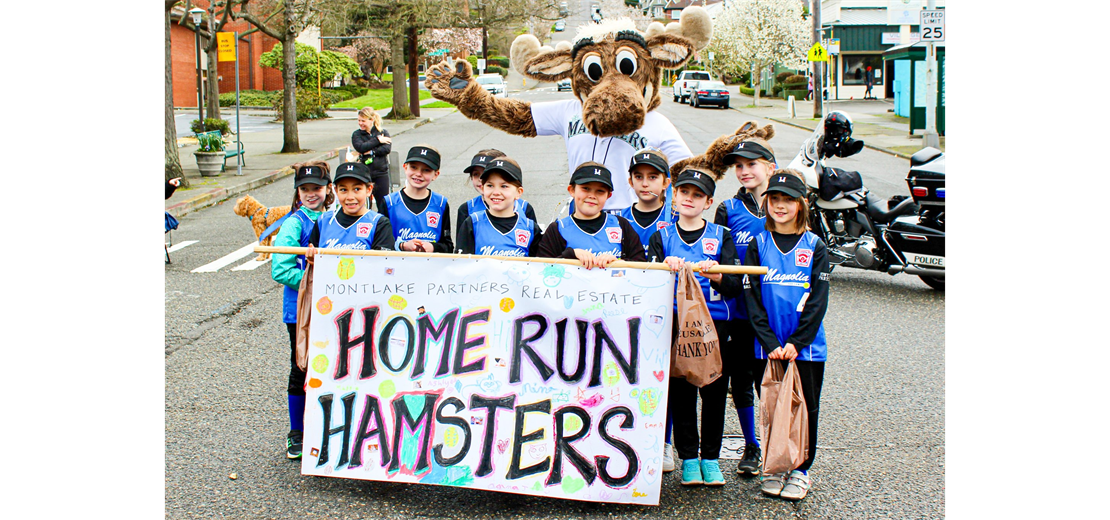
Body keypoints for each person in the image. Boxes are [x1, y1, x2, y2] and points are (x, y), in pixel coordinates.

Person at [647, 167, 742, 487]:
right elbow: (646, 283)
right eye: (684, 193)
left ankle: (711, 459)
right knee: (682, 391)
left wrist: (716, 274)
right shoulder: (662, 236)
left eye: (697, 195)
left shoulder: (721, 235)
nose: (689, 199)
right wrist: (663, 269)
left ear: (709, 201)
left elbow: (734, 286)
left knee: (714, 391)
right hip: (674, 323)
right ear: (674, 196)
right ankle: (689, 457)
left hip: (714, 324)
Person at [743, 170, 830, 502]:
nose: (780, 205)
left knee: (805, 408)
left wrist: (796, 343)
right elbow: (751, 299)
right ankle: (776, 465)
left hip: (805, 349)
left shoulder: (814, 246)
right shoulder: (758, 244)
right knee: (772, 406)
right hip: (766, 346)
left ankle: (801, 470)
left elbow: (818, 301)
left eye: (787, 200)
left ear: (801, 204)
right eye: (774, 199)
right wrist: (771, 343)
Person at [713, 136, 775, 477]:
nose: (744, 171)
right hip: (737, 309)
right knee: (741, 379)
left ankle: (775, 442)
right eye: (738, 166)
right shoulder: (729, 209)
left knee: (771, 380)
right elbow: (723, 257)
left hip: (772, 314)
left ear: (770, 167)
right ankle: (751, 445)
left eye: (751, 164)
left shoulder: (786, 205)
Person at [270, 161, 334, 460]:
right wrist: (313, 284)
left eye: (317, 188)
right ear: (298, 191)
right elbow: (280, 268)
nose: (311, 194)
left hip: (334, 307)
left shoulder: (333, 218)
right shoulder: (294, 223)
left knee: (333, 367)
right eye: (305, 189)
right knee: (302, 367)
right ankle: (296, 433)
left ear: (327, 189)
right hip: (301, 311)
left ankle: (326, 425)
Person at [537, 163, 646, 267]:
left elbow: (641, 265)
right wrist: (570, 254)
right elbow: (541, 269)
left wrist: (619, 263)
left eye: (600, 191)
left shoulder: (621, 225)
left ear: (608, 195)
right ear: (572, 190)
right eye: (586, 188)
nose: (592, 196)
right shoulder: (557, 229)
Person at [455, 157, 543, 257]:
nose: (496, 192)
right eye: (490, 185)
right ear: (483, 188)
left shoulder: (530, 228)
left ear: (518, 192)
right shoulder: (472, 223)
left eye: (504, 186)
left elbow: (538, 267)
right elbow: (461, 265)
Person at [308, 162, 394, 253]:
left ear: (368, 190)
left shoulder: (379, 223)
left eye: (357, 189)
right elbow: (313, 259)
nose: (350, 197)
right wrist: (312, 259)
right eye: (343, 190)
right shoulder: (323, 221)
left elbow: (382, 263)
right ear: (336, 191)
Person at [384, 145, 454, 254]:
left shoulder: (441, 204)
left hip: (430, 267)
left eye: (426, 170)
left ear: (435, 174)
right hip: (398, 267)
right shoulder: (389, 203)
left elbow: (448, 246)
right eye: (414, 167)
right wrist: (403, 246)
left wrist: (433, 247)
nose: (418, 174)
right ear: (405, 167)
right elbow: (380, 245)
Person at [618, 149, 675, 255]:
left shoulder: (676, 218)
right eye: (638, 177)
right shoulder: (619, 219)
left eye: (652, 177)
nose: (645, 184)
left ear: (665, 183)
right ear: (631, 182)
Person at [351, 107, 392, 213]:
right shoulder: (357, 134)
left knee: (383, 204)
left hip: (380, 173)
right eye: (359, 121)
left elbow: (386, 149)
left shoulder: (383, 132)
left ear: (371, 120)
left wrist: (371, 152)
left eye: (363, 121)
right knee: (363, 205)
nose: (360, 123)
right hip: (364, 174)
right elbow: (360, 147)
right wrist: (378, 140)